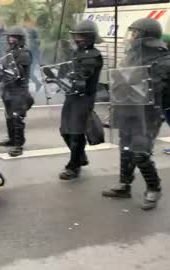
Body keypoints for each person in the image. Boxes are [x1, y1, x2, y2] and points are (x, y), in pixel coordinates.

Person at [102, 18, 170, 210]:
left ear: (146, 36)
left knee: (140, 153)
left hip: (149, 114)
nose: (131, 37)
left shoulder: (165, 60)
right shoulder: (131, 56)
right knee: (125, 149)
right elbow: (120, 82)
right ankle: (124, 184)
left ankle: (154, 187)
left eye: (135, 33)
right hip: (128, 110)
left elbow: (167, 92)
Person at [57, 20, 103, 180]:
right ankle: (80, 157)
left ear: (90, 37)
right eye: (76, 35)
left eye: (81, 36)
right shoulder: (76, 53)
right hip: (71, 96)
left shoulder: (93, 55)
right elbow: (66, 71)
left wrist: (70, 77)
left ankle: (73, 166)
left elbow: (82, 77)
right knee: (65, 131)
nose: (77, 38)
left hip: (84, 98)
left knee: (76, 133)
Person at [0, 26, 35, 157]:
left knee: (17, 117)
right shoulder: (10, 51)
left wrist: (5, 69)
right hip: (8, 88)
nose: (10, 39)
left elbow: (19, 72)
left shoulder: (24, 53)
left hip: (19, 90)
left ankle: (18, 145)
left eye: (13, 37)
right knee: (8, 116)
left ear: (20, 39)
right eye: (9, 37)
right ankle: (12, 139)